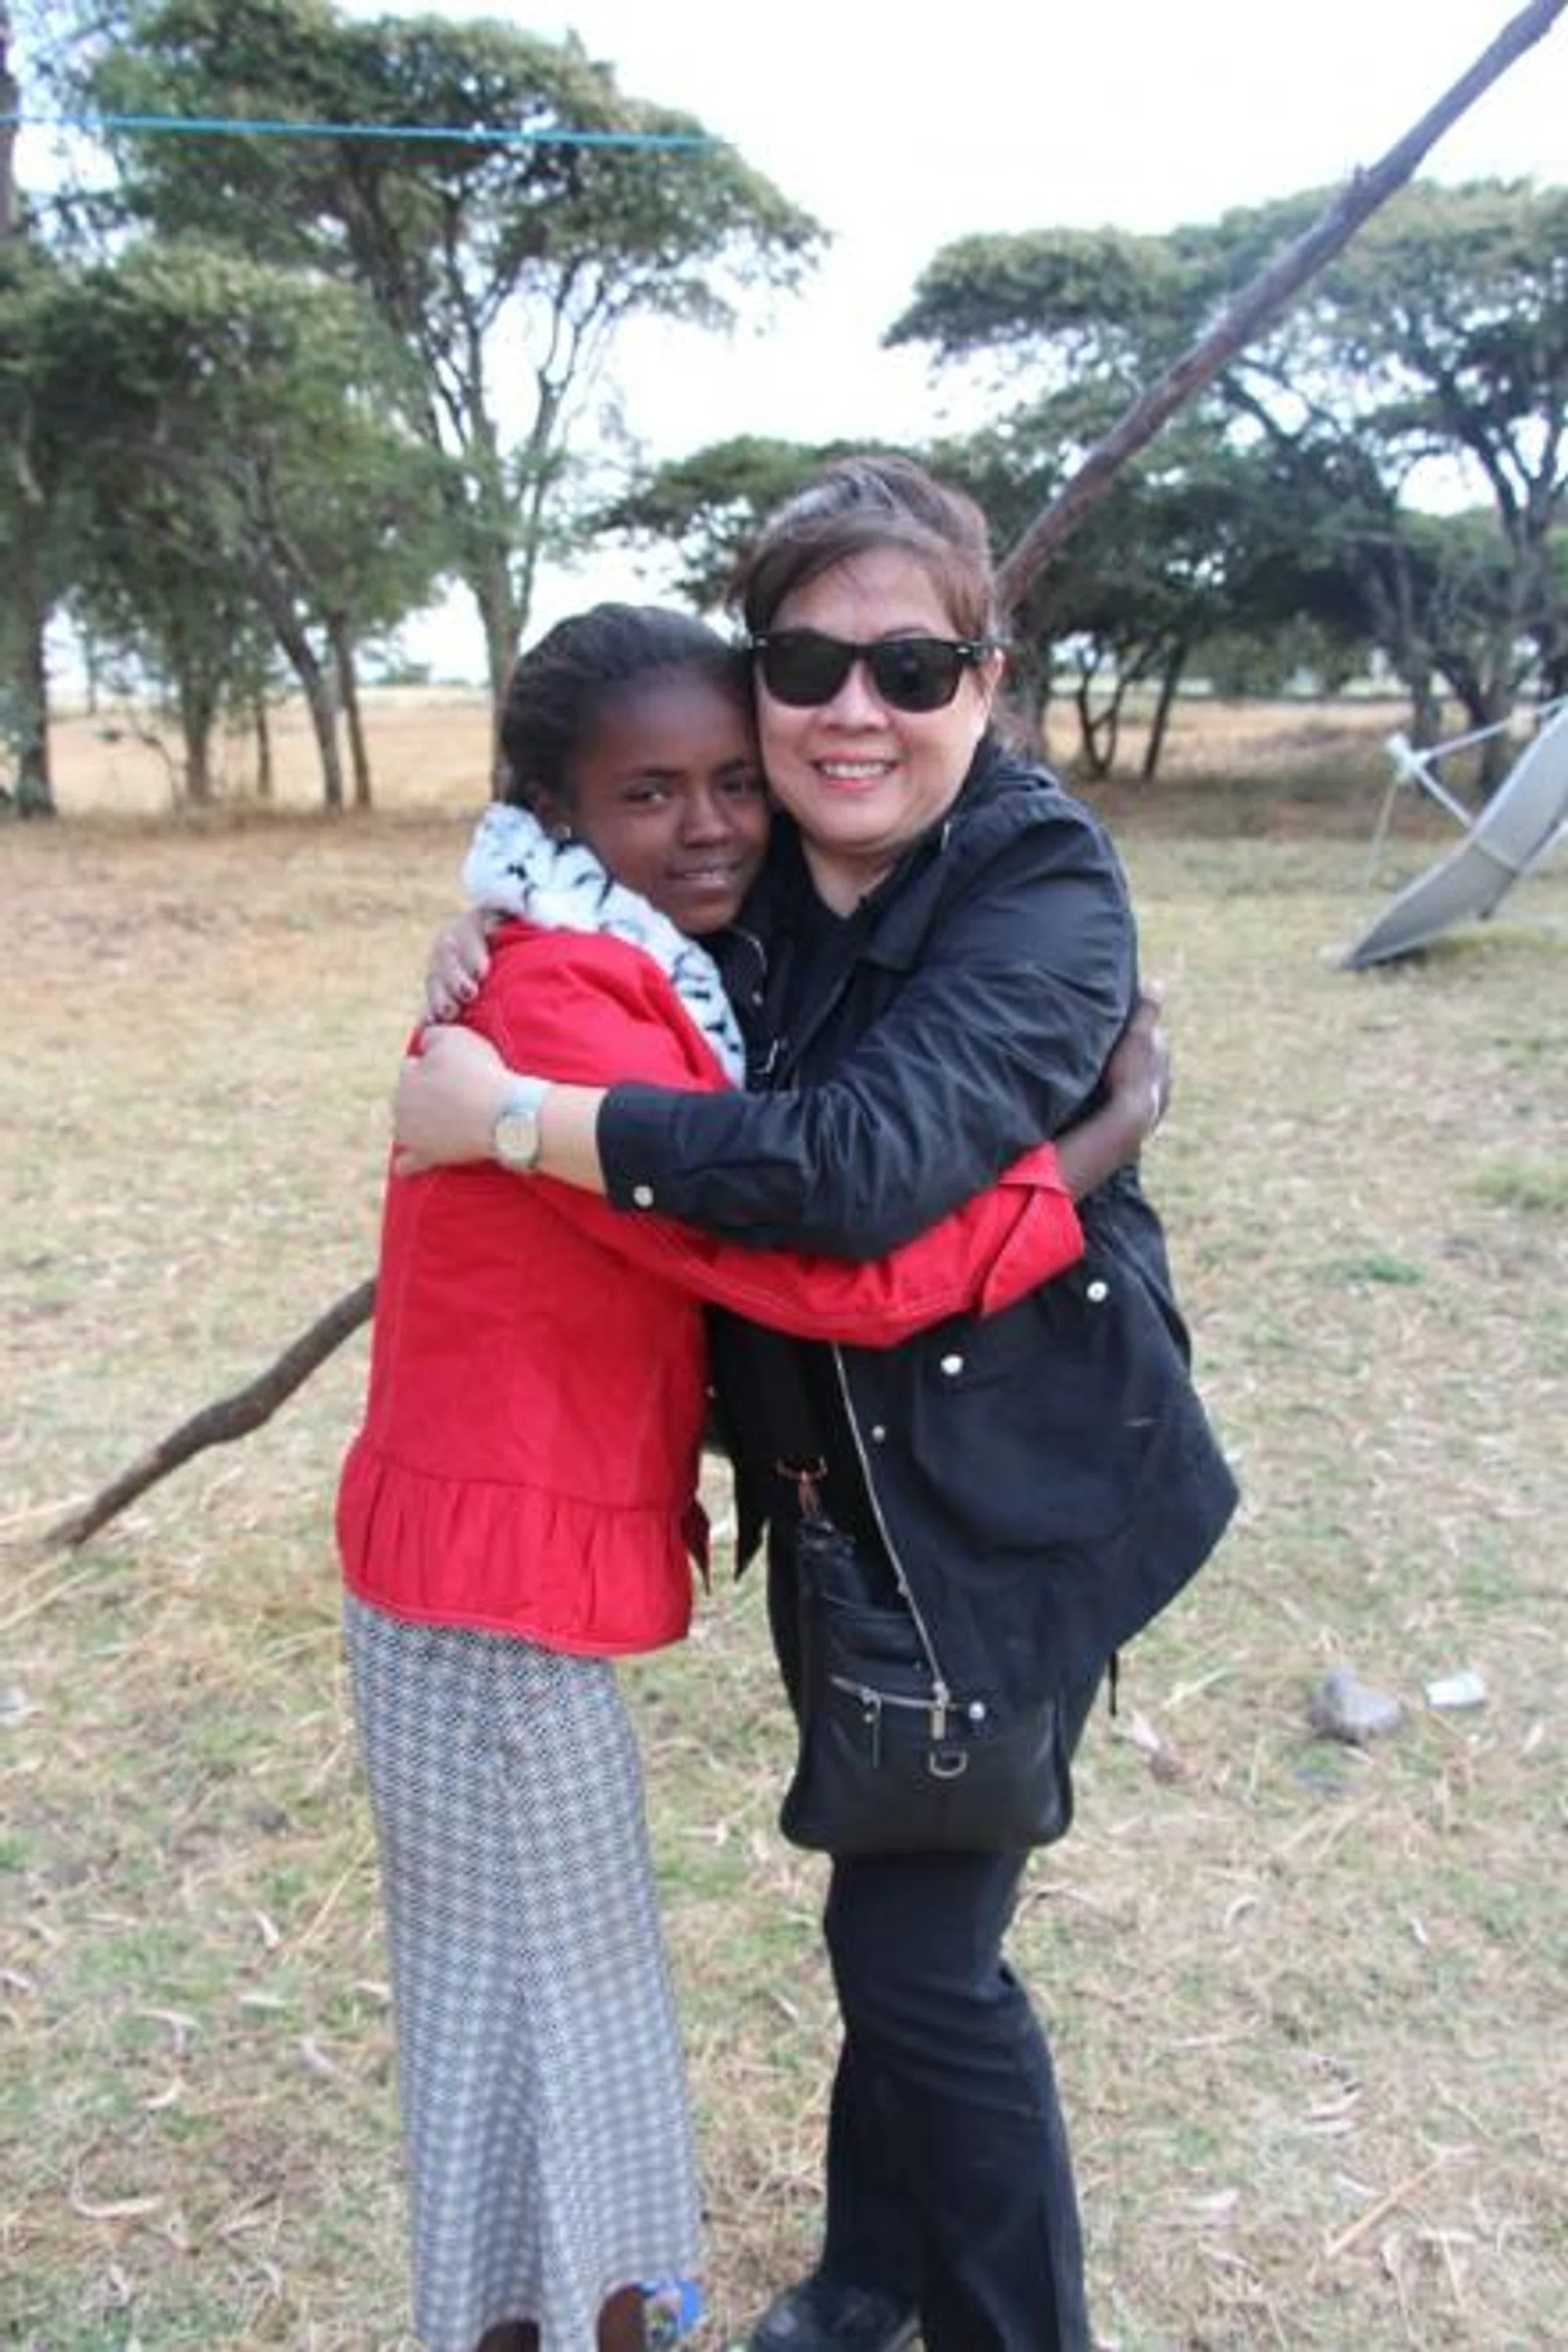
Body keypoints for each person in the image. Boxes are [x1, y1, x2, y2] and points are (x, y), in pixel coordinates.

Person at [394, 466, 1237, 2352]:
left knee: (919, 1957)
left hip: (1003, 1493)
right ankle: (872, 2274)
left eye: (912, 669)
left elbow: (856, 1176)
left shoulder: (1037, 886)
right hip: (834, 1488)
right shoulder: (763, 852)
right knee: (889, 1883)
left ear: (987, 678)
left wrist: (519, 1122)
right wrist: (481, 915)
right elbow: (608, 841)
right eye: (807, 665)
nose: (855, 710)